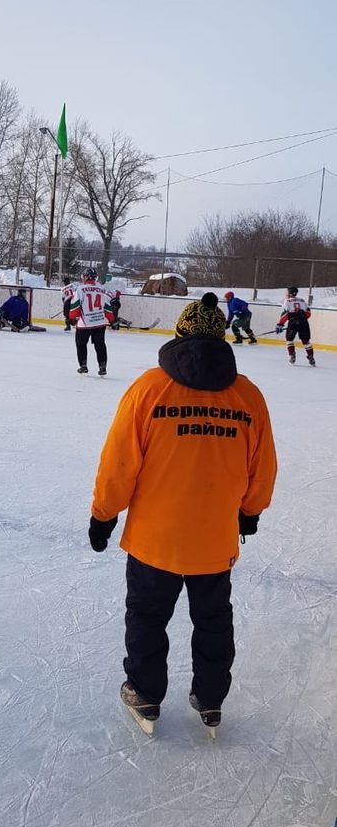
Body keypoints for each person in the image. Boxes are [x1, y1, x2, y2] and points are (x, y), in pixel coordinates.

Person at [88, 292, 277, 735]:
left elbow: (118, 463)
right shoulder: (247, 397)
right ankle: (210, 700)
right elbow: (263, 466)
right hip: (214, 542)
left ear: (179, 334)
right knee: (213, 621)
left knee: (147, 619)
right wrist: (249, 513)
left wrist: (103, 514)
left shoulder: (149, 389)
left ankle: (145, 694)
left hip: (155, 542)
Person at [69, 268, 115, 375]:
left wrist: (72, 318)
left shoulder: (80, 289)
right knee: (100, 345)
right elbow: (107, 307)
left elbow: (75, 306)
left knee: (81, 345)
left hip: (84, 325)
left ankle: (83, 366)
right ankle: (102, 366)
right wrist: (112, 321)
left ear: (86, 277)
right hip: (99, 323)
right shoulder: (101, 289)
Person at [276, 286, 315, 365]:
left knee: (289, 340)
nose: (286, 294)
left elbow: (285, 314)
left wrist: (280, 324)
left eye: (287, 293)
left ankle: (292, 355)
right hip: (304, 322)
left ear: (290, 293)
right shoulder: (302, 300)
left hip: (293, 322)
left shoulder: (287, 301)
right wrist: (301, 318)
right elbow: (308, 313)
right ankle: (311, 357)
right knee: (306, 340)